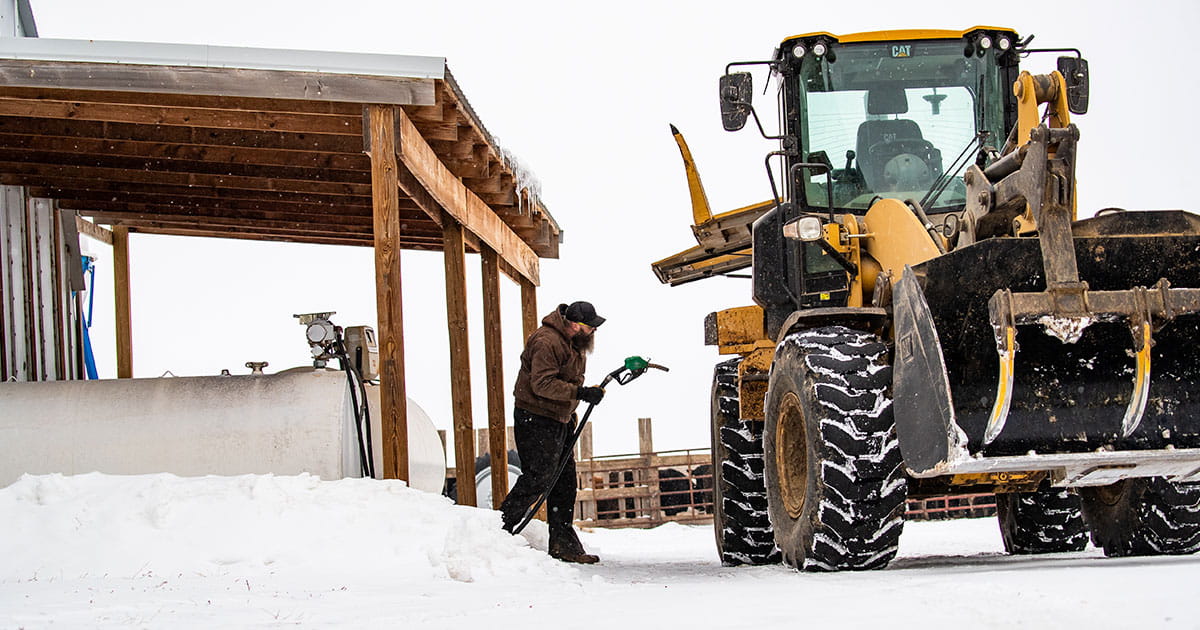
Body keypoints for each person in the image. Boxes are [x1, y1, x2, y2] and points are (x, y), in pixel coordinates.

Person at [500, 300, 607, 563]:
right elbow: (542, 384)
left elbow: (569, 380)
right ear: (573, 325)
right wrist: (579, 393)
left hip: (559, 418)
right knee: (539, 477)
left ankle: (563, 545)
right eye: (589, 327)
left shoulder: (573, 344)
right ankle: (498, 531)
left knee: (565, 482)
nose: (593, 332)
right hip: (535, 418)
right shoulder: (546, 341)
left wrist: (578, 399)